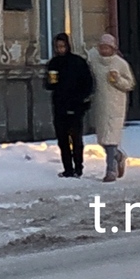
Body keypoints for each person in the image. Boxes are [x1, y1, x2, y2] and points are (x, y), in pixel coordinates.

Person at [44, 32, 95, 178]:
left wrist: (81, 99)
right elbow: (48, 85)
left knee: (76, 138)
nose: (60, 49)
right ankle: (67, 168)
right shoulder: (54, 63)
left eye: (62, 46)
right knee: (62, 139)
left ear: (68, 46)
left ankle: (78, 167)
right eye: (57, 47)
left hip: (76, 105)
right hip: (59, 105)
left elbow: (88, 83)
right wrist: (50, 82)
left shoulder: (78, 62)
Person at [88, 33, 137, 182]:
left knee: (111, 139)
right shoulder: (94, 61)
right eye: (102, 47)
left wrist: (117, 80)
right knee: (102, 139)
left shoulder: (120, 63)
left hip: (116, 104)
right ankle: (118, 156)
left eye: (107, 48)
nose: (104, 50)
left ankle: (111, 171)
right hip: (100, 103)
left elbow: (130, 84)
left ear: (113, 48)